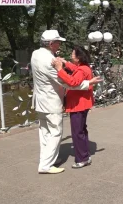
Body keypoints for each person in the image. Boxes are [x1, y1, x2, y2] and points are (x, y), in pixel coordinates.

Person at [31, 30, 102, 174]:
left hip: (41, 101)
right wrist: (88, 83)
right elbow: (68, 82)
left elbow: (76, 72)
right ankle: (47, 164)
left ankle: (50, 159)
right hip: (51, 102)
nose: (60, 45)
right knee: (56, 132)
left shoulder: (36, 54)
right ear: (51, 44)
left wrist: (64, 64)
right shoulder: (49, 61)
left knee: (45, 132)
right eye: (58, 43)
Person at [51, 46, 94, 169]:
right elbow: (76, 69)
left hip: (78, 105)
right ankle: (85, 154)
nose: (71, 54)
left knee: (77, 132)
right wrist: (65, 63)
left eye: (73, 53)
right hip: (82, 104)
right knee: (81, 130)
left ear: (78, 57)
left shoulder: (82, 70)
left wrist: (60, 69)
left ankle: (82, 158)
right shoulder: (84, 67)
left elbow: (73, 82)